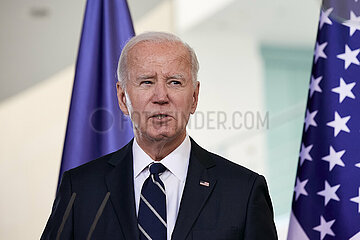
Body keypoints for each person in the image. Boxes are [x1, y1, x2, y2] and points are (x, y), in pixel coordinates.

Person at [41, 32, 277, 240]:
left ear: (194, 97)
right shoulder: (80, 187)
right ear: (123, 98)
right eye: (147, 82)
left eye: (175, 82)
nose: (161, 96)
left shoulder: (244, 191)